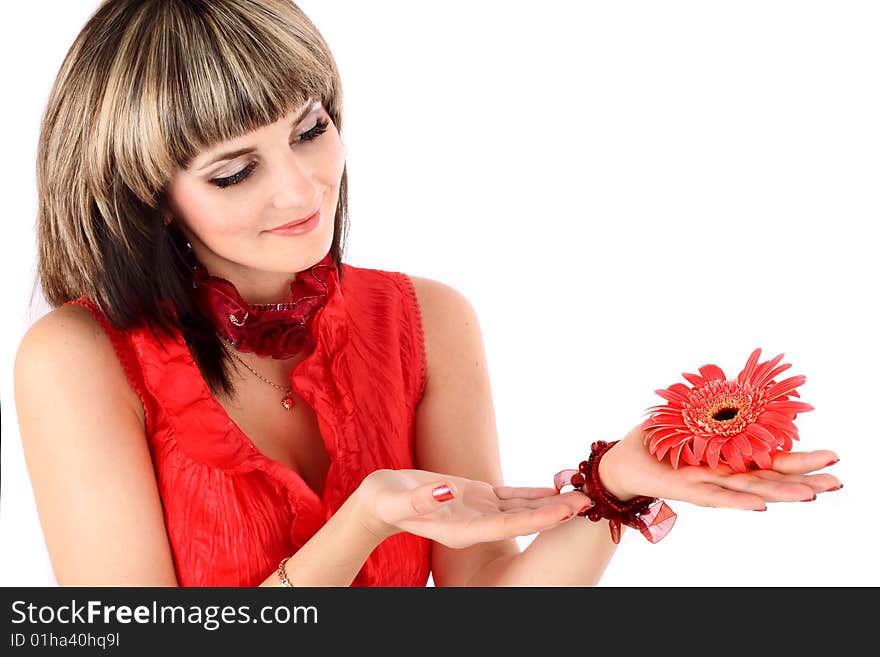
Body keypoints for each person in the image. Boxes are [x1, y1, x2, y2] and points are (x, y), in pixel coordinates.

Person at [13, 0, 841, 587]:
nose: (302, 189)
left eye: (310, 128)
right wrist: (365, 521)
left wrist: (616, 483)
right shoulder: (80, 360)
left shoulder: (427, 319)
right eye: (235, 170)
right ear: (146, 191)